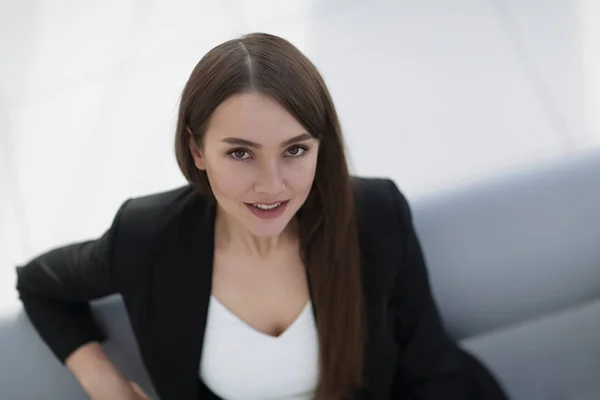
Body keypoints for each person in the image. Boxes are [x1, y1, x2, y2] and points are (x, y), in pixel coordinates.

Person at [15, 32, 508, 400]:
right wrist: (103, 381)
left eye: (295, 149)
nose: (272, 186)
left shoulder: (375, 215)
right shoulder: (148, 236)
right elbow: (38, 284)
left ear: (321, 146)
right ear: (197, 149)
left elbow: (432, 373)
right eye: (241, 154)